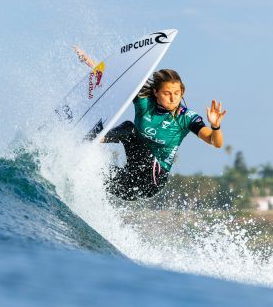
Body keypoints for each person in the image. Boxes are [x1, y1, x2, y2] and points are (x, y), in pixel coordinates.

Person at [73, 47, 227, 201]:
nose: (173, 99)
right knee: (92, 173)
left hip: (153, 180)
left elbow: (215, 142)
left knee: (129, 128)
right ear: (156, 92)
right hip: (130, 180)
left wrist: (215, 126)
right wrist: (89, 61)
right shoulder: (144, 100)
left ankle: (88, 141)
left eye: (177, 93)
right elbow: (116, 79)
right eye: (167, 93)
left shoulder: (186, 117)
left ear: (182, 92)